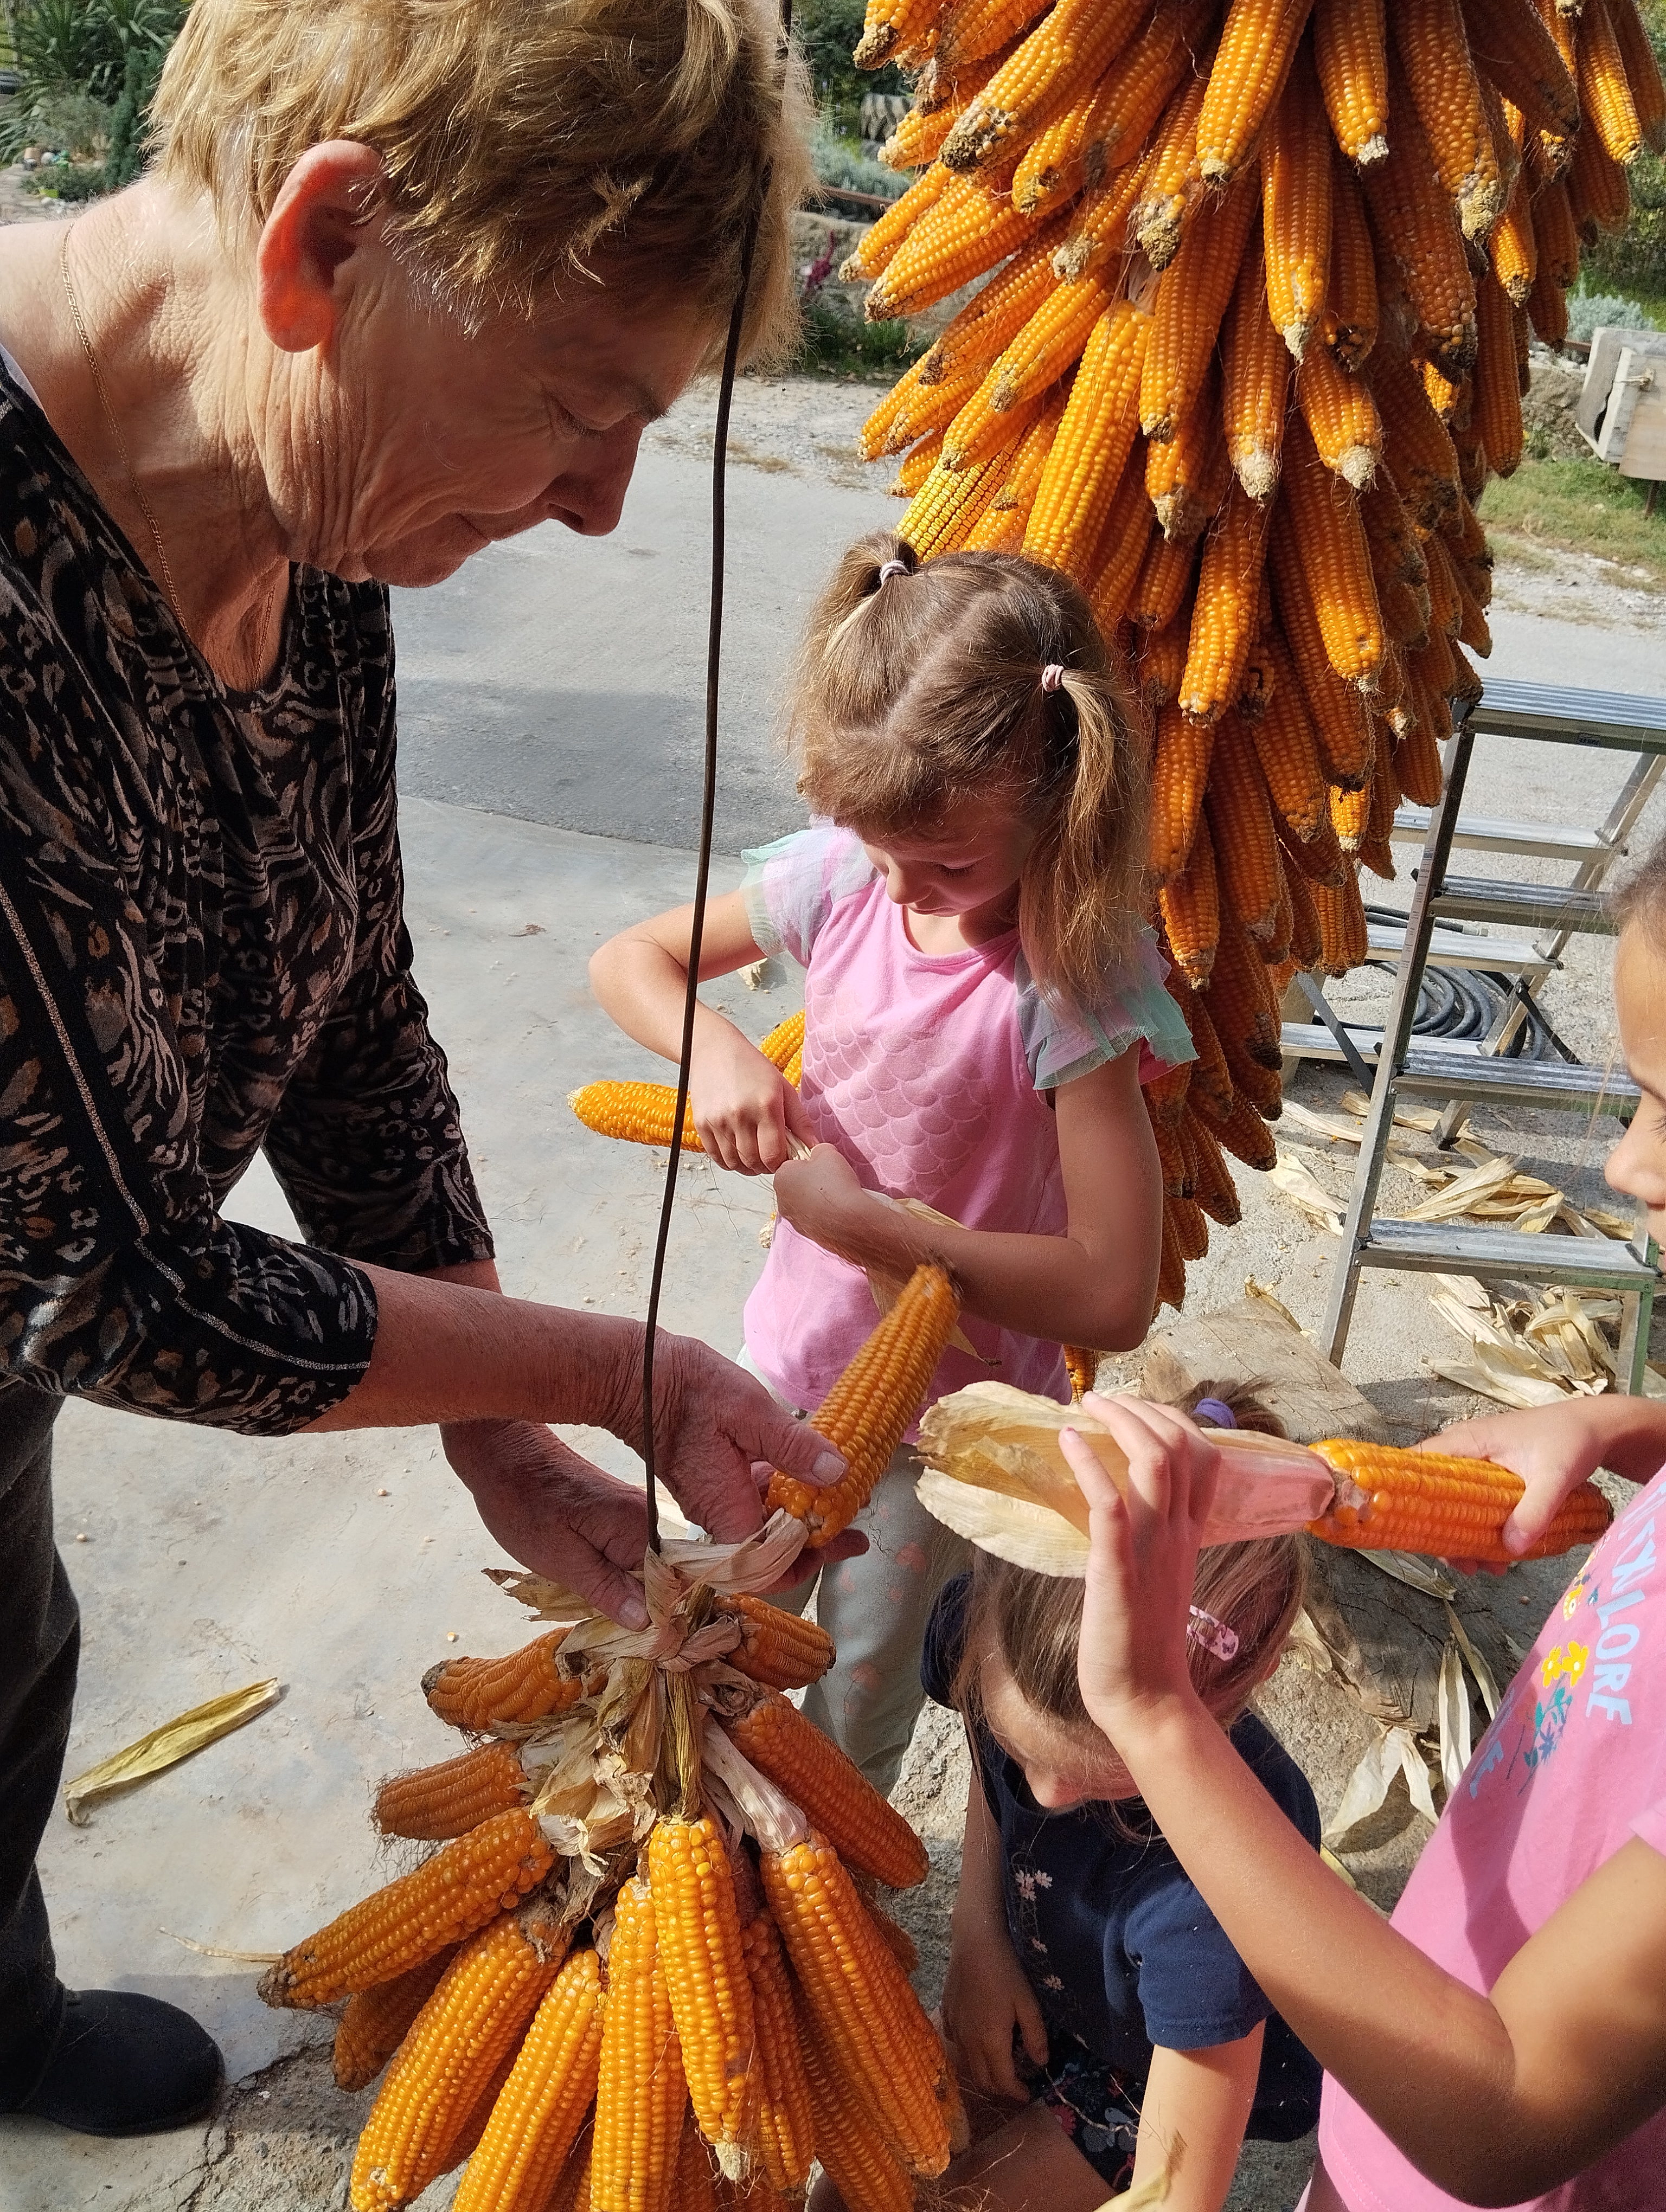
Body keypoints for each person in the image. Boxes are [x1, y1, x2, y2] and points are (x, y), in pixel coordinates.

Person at [0, 0, 848, 2141]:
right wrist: (601, 1365)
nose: (600, 509)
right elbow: (106, 1283)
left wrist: (490, 1434)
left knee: (5, 1673)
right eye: (583, 411)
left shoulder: (309, 496)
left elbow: (348, 993)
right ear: (330, 242)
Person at [1055, 828, 1666, 2211]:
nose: (1627, 1168)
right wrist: (1623, 1430)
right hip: (1411, 2057)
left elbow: (1506, 2113)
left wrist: (1156, 1713)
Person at [589, 532, 1191, 1790]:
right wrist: (722, 1058)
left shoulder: (1075, 982)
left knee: (854, 1702)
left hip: (944, 1432)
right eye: (880, 852)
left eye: (953, 866)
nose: (909, 890)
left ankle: (828, 1902)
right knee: (714, 1638)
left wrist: (880, 1235)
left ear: (1061, 794)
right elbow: (627, 962)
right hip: (787, 1360)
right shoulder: (843, 881)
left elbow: (1113, 1288)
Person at [869, 1386, 1321, 2212]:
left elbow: (1177, 2186)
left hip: (1154, 2072)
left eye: (1102, 1780)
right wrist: (979, 1937)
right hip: (1047, 1987)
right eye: (1024, 1750)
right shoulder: (985, 1631)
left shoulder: (1214, 1899)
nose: (1044, 1795)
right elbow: (986, 1747)